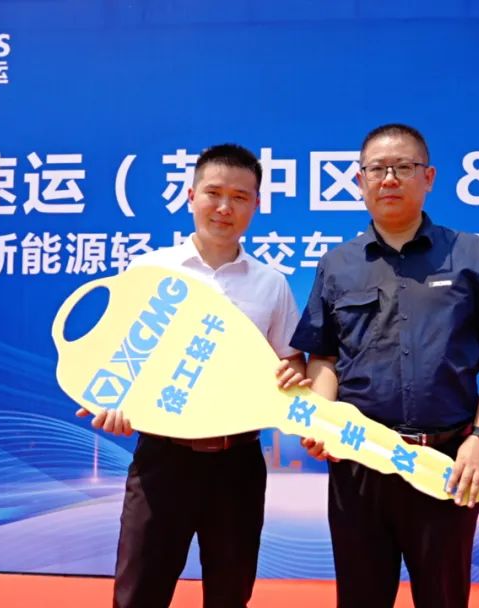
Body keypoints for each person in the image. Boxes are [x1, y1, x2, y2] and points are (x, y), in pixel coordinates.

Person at [290, 124, 479, 608]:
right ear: (360, 181)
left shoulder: (469, 253)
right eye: (377, 169)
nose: (389, 178)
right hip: (359, 463)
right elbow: (325, 357)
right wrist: (321, 419)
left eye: (403, 167)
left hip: (446, 464)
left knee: (443, 598)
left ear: (429, 177)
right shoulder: (337, 264)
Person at [76, 143, 307, 608]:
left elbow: (292, 361)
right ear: (190, 196)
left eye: (239, 197)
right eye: (213, 193)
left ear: (256, 205)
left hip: (238, 462)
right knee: (139, 592)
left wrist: (293, 376)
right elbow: (120, 359)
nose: (224, 208)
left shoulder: (271, 283)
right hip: (163, 460)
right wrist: (111, 401)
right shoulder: (149, 270)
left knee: (230, 592)